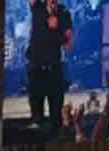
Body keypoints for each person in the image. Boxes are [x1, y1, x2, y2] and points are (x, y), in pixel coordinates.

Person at [26, 0, 74, 135]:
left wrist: (57, 28)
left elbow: (69, 46)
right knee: (36, 120)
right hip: (36, 68)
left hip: (54, 69)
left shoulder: (63, 13)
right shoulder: (37, 7)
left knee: (55, 120)